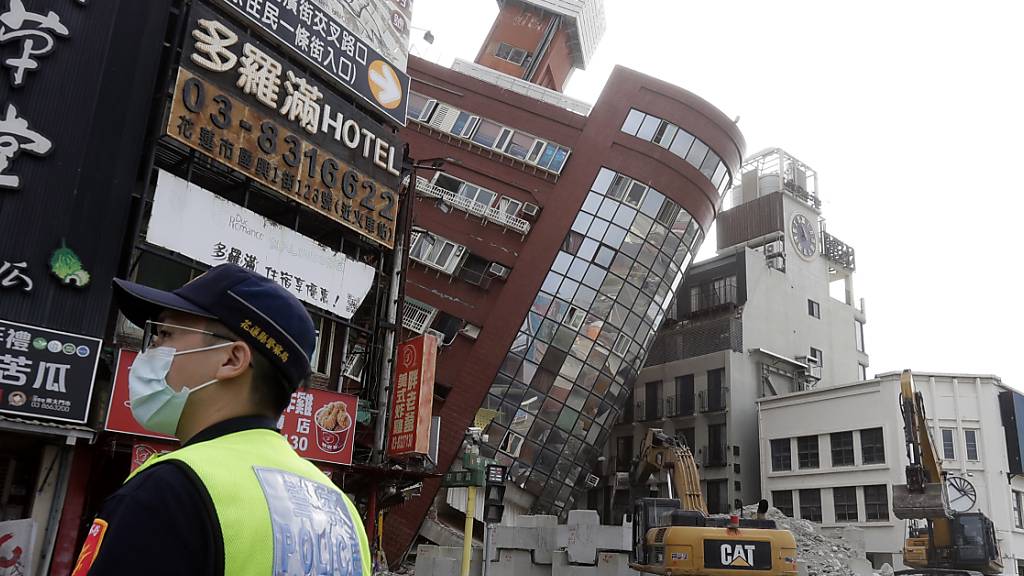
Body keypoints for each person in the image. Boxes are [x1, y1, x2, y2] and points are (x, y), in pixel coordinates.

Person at [72, 264, 371, 576]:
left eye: (164, 334)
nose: (150, 350)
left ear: (232, 360)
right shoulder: (342, 514)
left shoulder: (170, 490)